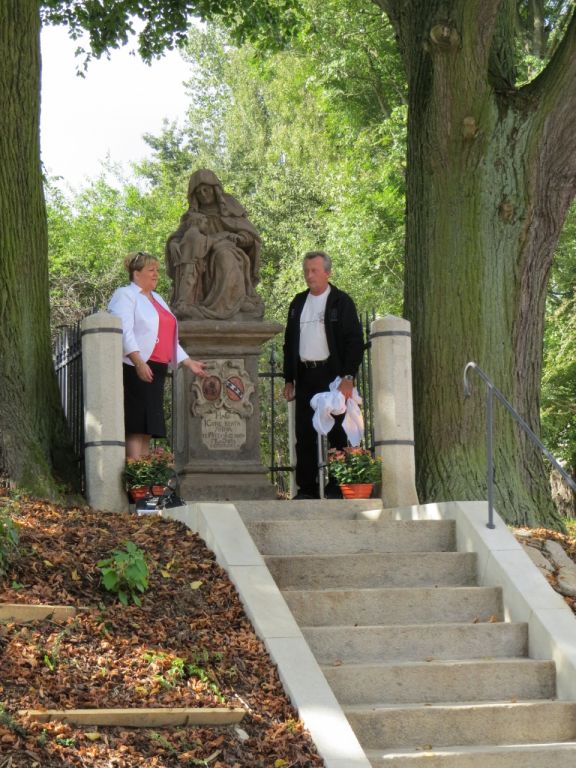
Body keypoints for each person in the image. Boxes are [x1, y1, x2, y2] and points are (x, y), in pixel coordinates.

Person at [108, 251, 208, 460]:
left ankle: (144, 474)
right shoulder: (125, 295)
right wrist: (138, 362)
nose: (156, 275)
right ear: (136, 274)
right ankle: (135, 472)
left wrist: (188, 362)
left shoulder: (158, 299)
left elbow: (168, 337)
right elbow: (124, 330)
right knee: (137, 423)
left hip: (157, 367)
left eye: (157, 271)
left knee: (148, 426)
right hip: (136, 366)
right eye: (151, 270)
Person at [283, 251, 364, 499]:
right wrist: (289, 379)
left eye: (314, 270)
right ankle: (307, 488)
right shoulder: (298, 303)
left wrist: (348, 376)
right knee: (304, 434)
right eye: (306, 271)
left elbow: (354, 341)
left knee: (337, 431)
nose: (309, 275)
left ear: (327, 272)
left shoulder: (341, 302)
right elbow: (289, 343)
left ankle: (338, 486)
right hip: (305, 375)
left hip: (332, 376)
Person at [165, 168, 264, 320]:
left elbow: (250, 236)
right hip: (202, 255)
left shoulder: (230, 209)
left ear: (214, 189)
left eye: (206, 190)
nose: (204, 195)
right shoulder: (193, 216)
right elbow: (179, 236)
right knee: (206, 256)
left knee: (226, 256)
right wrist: (173, 244)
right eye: (199, 192)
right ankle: (198, 305)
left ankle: (234, 302)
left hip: (228, 249)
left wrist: (240, 238)